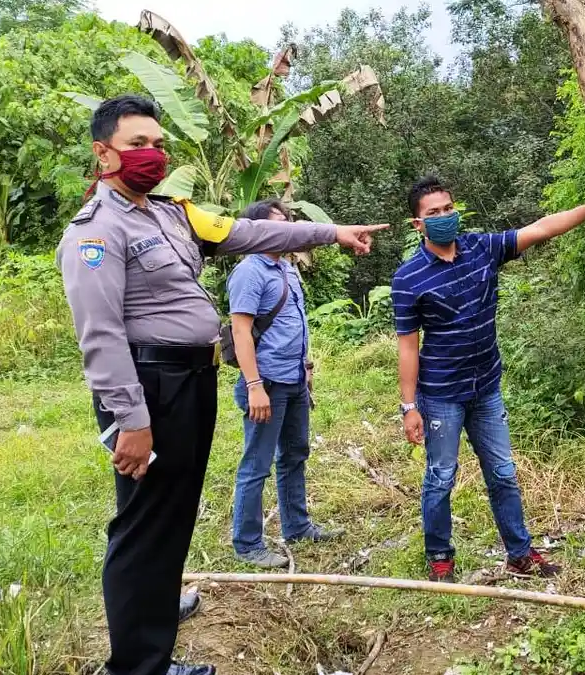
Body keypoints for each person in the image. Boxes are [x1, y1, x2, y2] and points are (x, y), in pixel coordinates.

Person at [57, 95, 387, 675]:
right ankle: (137, 665)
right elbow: (100, 335)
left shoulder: (171, 214)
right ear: (103, 152)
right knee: (143, 521)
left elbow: (252, 233)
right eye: (137, 144)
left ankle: (154, 610)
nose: (152, 155)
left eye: (159, 145)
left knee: (172, 510)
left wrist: (331, 233)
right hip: (149, 389)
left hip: (191, 381)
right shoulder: (95, 231)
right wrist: (130, 421)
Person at [392, 175, 585, 582]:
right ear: (418, 224)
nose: (445, 217)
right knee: (440, 477)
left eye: (449, 208)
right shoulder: (408, 278)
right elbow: (408, 347)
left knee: (502, 472)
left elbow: (540, 228)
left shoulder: (481, 248)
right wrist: (409, 406)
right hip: (441, 395)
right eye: (434, 213)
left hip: (486, 387)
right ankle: (440, 559)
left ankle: (519, 553)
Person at [226, 199, 339, 568]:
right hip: (267, 382)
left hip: (293, 378)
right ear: (257, 229)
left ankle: (297, 525)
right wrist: (254, 384)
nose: (288, 228)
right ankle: (247, 542)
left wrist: (306, 365)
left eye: (288, 222)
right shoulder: (249, 272)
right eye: (278, 223)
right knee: (256, 463)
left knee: (294, 454)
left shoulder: (288, 270)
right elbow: (240, 331)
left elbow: (296, 321)